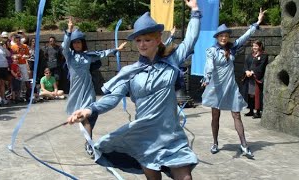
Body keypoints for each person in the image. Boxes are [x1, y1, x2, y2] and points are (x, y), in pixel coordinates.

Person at [67, 0, 201, 179]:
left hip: (170, 133)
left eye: (147, 39)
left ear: (158, 39)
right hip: (144, 136)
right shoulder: (129, 72)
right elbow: (112, 98)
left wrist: (195, 11)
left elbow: (191, 38)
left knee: (185, 177)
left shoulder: (172, 61)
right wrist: (89, 109)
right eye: (138, 40)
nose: (142, 44)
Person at [201, 8, 266, 158]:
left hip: (230, 87)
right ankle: (215, 143)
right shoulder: (211, 51)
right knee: (215, 116)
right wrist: (207, 78)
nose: (224, 38)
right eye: (221, 35)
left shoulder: (233, 48)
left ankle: (244, 145)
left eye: (226, 35)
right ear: (217, 37)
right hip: (216, 88)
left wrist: (257, 22)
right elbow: (209, 65)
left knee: (237, 115)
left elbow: (245, 36)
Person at [62, 17, 127, 156]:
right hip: (76, 89)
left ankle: (88, 141)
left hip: (88, 88)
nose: (77, 44)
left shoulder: (88, 56)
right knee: (84, 117)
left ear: (82, 43)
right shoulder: (69, 56)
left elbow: (102, 53)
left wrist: (116, 49)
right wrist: (69, 29)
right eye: (74, 43)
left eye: (79, 42)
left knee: (90, 114)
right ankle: (89, 142)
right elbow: (64, 45)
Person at [242, 40, 268, 119]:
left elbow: (262, 66)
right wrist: (246, 71)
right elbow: (246, 64)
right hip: (249, 77)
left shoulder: (264, 55)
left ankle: (257, 112)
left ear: (260, 46)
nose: (254, 47)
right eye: (253, 46)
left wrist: (253, 72)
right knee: (250, 94)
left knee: (257, 95)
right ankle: (251, 110)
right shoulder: (250, 55)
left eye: (256, 46)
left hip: (257, 77)